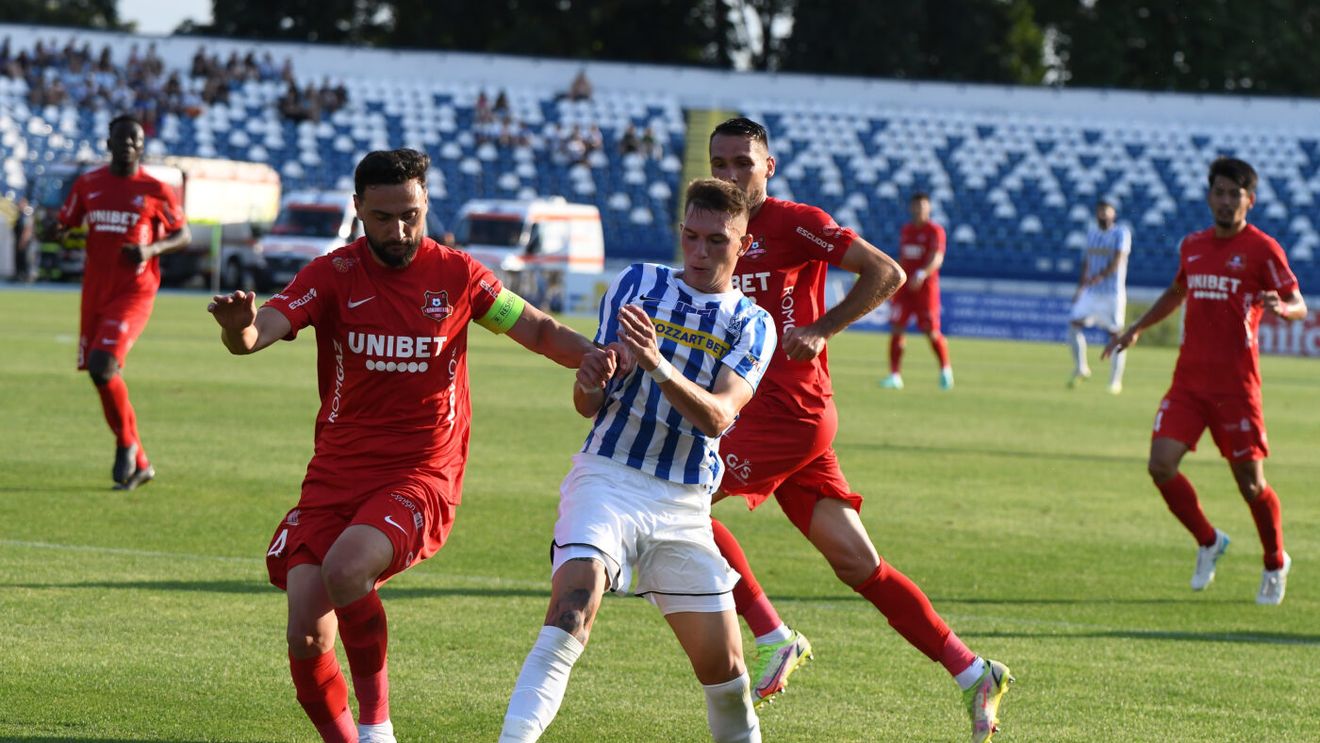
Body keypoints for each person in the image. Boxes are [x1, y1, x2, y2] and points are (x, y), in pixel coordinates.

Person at [207, 149, 603, 743]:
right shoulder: (332, 275)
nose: (400, 231)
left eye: (411, 215)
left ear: (425, 205)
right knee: (307, 634)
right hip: (336, 472)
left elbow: (538, 329)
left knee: (346, 569)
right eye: (384, 217)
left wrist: (597, 355)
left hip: (422, 471)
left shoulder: (459, 275)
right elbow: (261, 333)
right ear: (359, 210)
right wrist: (238, 327)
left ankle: (377, 727)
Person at [706, 118, 1013, 742]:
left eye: (743, 162)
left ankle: (773, 635)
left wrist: (823, 328)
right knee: (858, 563)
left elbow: (886, 273)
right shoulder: (719, 232)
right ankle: (973, 670)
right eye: (720, 163)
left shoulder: (794, 222)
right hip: (764, 418)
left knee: (676, 501)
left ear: (770, 167)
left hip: (790, 414)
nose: (731, 174)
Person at [500, 178, 775, 743]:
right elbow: (589, 405)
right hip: (608, 476)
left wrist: (656, 363)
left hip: (683, 504)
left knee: (726, 675)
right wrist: (589, 381)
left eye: (716, 242)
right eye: (691, 237)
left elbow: (719, 417)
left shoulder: (753, 323)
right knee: (574, 604)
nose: (699, 254)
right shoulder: (638, 283)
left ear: (742, 245)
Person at [1103, 157, 1307, 605]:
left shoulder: (1263, 249)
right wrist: (1137, 327)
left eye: (1235, 194)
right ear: (1209, 196)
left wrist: (1282, 308)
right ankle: (1209, 539)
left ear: (1249, 201)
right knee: (1160, 465)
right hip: (1189, 384)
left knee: (1251, 485)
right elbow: (1178, 291)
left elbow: (1299, 305)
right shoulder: (1193, 245)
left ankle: (1275, 561)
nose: (1226, 200)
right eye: (1220, 191)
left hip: (1237, 389)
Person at [56, 114, 191, 490]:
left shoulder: (155, 188)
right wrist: (60, 230)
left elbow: (183, 234)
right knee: (102, 376)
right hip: (95, 290)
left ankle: (126, 446)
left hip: (135, 291)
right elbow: (67, 223)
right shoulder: (89, 184)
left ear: (142, 147)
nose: (129, 146)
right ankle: (141, 460)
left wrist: (151, 248)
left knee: (102, 366)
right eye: (122, 139)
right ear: (108, 143)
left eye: (136, 140)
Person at [881, 192, 952, 390]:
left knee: (931, 331)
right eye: (916, 206)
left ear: (928, 208)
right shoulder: (907, 230)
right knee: (897, 328)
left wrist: (921, 274)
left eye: (923, 206)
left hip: (925, 288)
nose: (919, 210)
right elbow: (904, 258)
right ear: (911, 208)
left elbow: (937, 258)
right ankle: (895, 375)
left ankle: (945, 369)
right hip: (905, 289)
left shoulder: (935, 231)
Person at [1069, 199, 1131, 393]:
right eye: (1100, 211)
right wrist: (1081, 287)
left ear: (1113, 214)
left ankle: (1115, 381)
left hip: (1112, 294)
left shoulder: (1121, 233)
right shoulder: (1091, 233)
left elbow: (1118, 260)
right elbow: (1086, 262)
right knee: (1073, 324)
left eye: (1107, 210)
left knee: (1115, 335)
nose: (1103, 214)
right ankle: (1081, 367)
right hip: (1091, 292)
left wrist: (1100, 277)